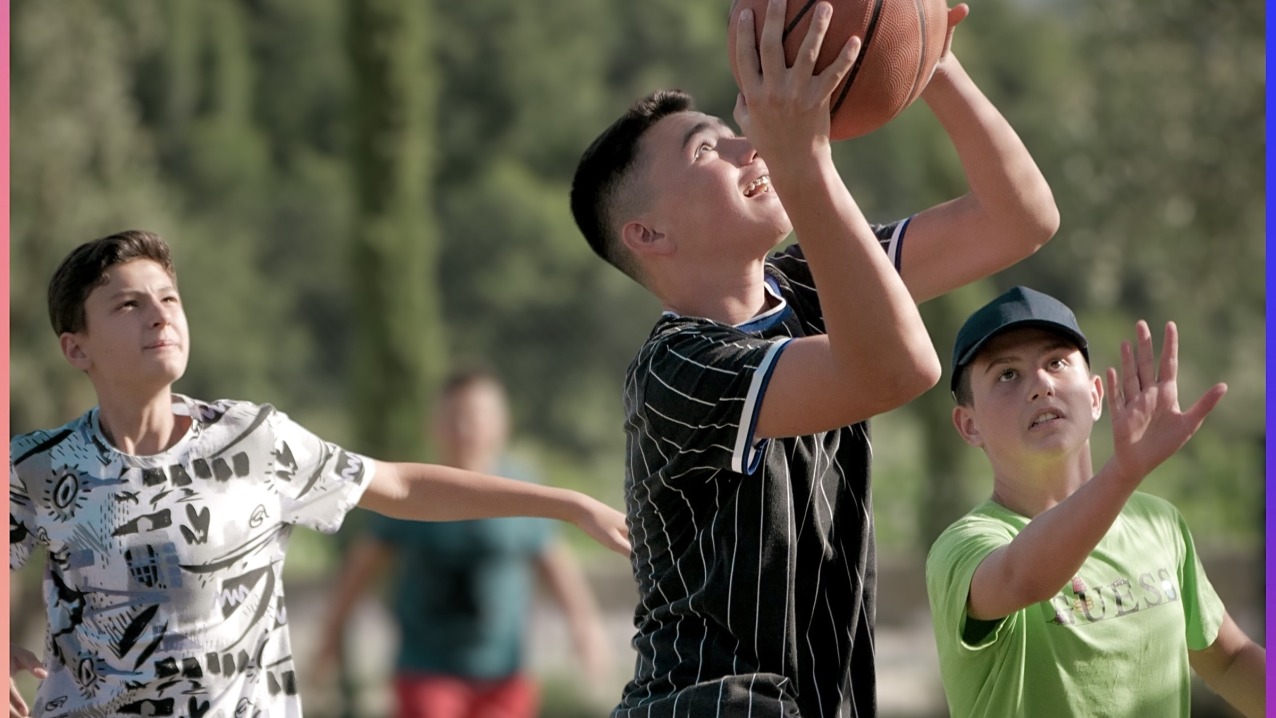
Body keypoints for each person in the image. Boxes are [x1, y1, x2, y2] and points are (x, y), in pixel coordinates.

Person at [567, 0, 1059, 713]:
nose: (748, 147)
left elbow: (1020, 218)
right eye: (708, 150)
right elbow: (895, 370)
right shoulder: (678, 369)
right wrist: (804, 163)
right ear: (648, 234)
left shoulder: (806, 284)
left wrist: (928, 56)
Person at [7, 230, 630, 718]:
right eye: (128, 304)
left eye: (169, 298)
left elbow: (401, 487)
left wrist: (567, 504)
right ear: (76, 348)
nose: (160, 315)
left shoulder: (253, 441)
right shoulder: (36, 466)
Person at [925, 285, 1266, 717]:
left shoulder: (1158, 522)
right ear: (969, 425)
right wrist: (1123, 474)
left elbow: (1229, 660)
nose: (1041, 385)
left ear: (1094, 395)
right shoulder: (963, 547)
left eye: (1057, 363)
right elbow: (1023, 580)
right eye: (1007, 375)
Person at [313, 369, 612, 718]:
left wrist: (586, 629)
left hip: (504, 671)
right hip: (426, 669)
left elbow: (555, 562)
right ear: (434, 424)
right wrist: (330, 634)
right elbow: (363, 564)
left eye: (476, 417)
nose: (465, 429)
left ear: (502, 424)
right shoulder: (412, 490)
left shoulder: (523, 492)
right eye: (454, 417)